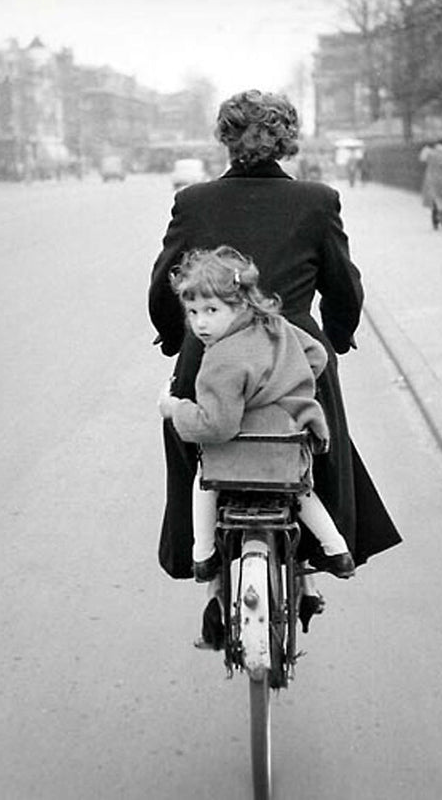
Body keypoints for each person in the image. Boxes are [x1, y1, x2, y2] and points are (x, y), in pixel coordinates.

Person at [148, 89, 401, 640]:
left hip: (211, 355)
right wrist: (339, 333)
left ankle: (206, 565)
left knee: (190, 441)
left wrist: (174, 338)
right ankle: (319, 556)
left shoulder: (193, 201)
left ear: (225, 139)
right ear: (286, 141)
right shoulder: (318, 199)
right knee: (319, 443)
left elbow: (166, 281)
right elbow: (343, 284)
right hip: (293, 356)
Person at [158, 246, 355, 584]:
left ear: (240, 304)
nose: (201, 322)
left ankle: (203, 555)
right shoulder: (276, 326)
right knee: (299, 486)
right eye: (192, 312)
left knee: (204, 480)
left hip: (237, 454)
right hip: (285, 439)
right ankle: (336, 549)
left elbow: (217, 425)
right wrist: (280, 386)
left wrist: (176, 409)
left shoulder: (221, 358)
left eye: (211, 309)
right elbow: (317, 356)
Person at [420, 140, 442, 229]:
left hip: (431, 179)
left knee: (434, 200)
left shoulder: (430, 153)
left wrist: (426, 148)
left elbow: (422, 158)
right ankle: (441, 217)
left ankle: (435, 221)